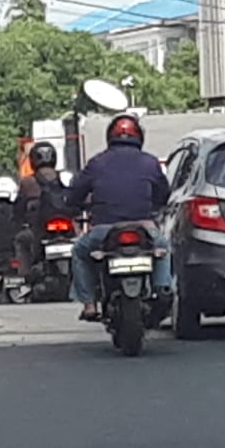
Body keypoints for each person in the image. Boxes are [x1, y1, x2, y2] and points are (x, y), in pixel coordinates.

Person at [64, 114, 171, 321]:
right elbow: (163, 195)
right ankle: (163, 288)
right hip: (144, 227)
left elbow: (75, 193)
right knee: (163, 248)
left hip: (104, 230)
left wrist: (76, 205)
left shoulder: (96, 163)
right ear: (139, 136)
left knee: (79, 252)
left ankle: (89, 305)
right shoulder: (150, 162)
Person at [13, 142, 70, 275]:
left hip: (39, 228)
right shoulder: (65, 177)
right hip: (67, 227)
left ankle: (26, 278)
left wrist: (18, 220)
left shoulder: (28, 182)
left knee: (21, 240)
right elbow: (79, 198)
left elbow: (19, 209)